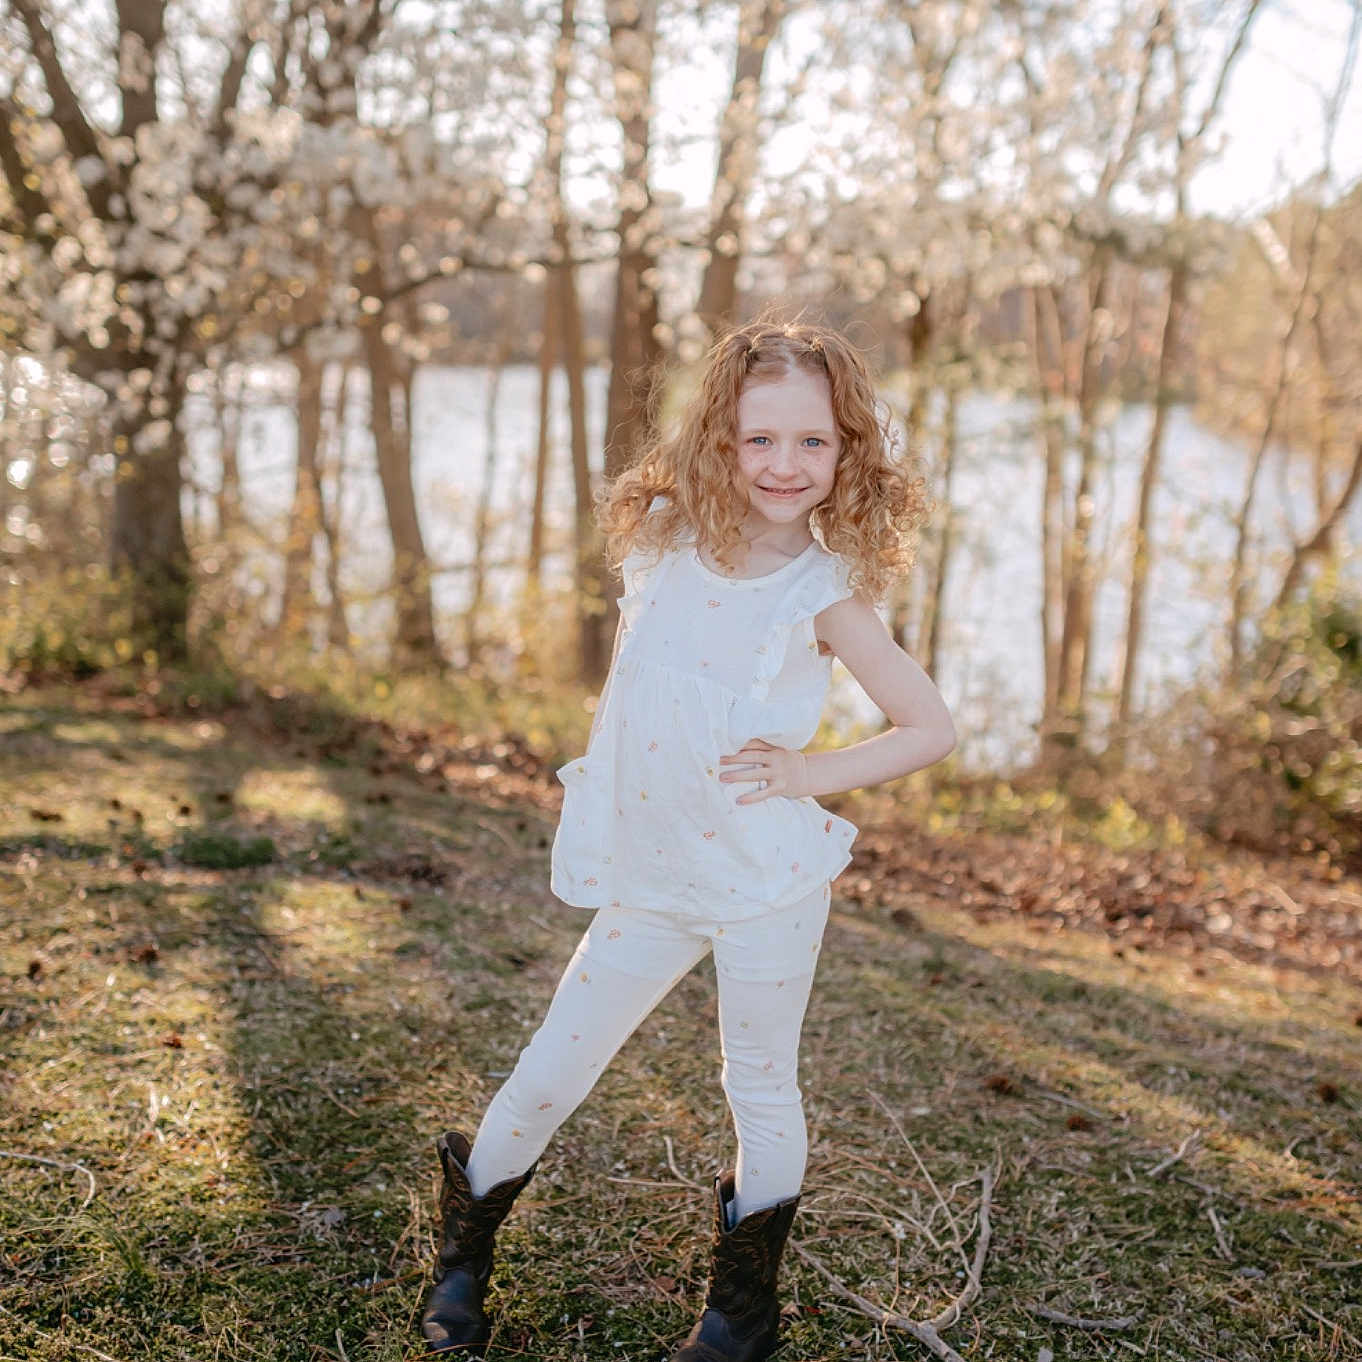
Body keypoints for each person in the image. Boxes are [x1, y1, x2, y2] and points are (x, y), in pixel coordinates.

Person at [419, 316, 957, 1360]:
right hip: (657, 875)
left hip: (764, 881)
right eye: (760, 439)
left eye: (813, 441)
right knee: (548, 1072)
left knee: (758, 1084)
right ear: (720, 436)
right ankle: (461, 1263)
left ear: (847, 447)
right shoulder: (660, 543)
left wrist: (806, 773)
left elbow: (928, 727)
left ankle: (739, 1316)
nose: (785, 465)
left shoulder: (826, 592)